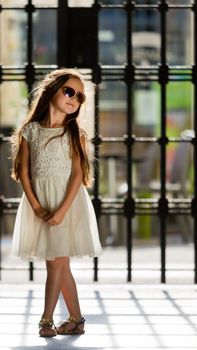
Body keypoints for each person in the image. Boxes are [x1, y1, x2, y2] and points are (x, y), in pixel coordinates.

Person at [10, 68, 102, 337]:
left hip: (67, 204)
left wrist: (61, 211)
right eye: (69, 91)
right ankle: (76, 319)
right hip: (40, 203)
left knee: (55, 262)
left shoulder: (75, 134)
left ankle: (46, 319)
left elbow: (77, 175)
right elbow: (24, 173)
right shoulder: (31, 131)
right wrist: (37, 206)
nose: (75, 99)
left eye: (80, 97)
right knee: (60, 263)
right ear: (52, 91)